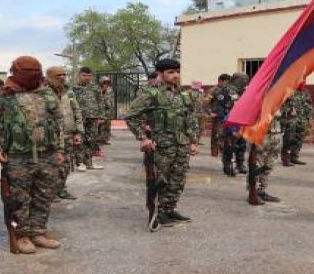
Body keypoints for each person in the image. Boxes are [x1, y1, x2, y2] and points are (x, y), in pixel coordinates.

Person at [0, 56, 65, 253]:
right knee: (19, 199)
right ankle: (21, 235)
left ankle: (38, 232)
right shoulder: (1, 95)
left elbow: (59, 124)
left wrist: (60, 150)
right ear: (15, 72)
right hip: (17, 157)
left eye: (36, 72)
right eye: (27, 72)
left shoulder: (48, 94)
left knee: (44, 196)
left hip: (47, 155)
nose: (33, 76)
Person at [125, 58, 200, 227]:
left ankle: (169, 209)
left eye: (177, 72)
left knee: (178, 180)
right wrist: (143, 138)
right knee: (160, 180)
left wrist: (194, 141)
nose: (176, 75)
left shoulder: (183, 94)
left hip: (181, 145)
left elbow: (191, 119)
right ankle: (157, 213)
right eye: (171, 72)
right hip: (161, 146)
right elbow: (131, 116)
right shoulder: (151, 94)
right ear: (160, 74)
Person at [46, 66, 83, 200]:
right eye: (58, 75)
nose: (62, 77)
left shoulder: (69, 92)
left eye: (63, 75)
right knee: (50, 165)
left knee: (65, 164)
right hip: (50, 135)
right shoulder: (43, 93)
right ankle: (50, 192)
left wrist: (78, 132)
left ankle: (61, 189)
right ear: (48, 77)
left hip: (67, 133)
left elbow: (76, 111)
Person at [213, 72, 248, 176]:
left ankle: (240, 164)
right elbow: (219, 107)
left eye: (246, 80)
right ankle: (227, 166)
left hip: (241, 122)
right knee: (229, 146)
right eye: (244, 80)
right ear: (236, 80)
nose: (246, 82)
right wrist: (224, 122)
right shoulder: (224, 91)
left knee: (242, 144)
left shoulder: (243, 91)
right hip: (229, 123)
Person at [71, 67, 104, 171]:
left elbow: (100, 102)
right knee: (79, 140)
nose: (87, 78)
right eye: (84, 75)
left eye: (89, 76)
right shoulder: (73, 88)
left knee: (91, 140)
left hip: (93, 117)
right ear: (79, 76)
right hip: (79, 118)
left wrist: (101, 116)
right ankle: (79, 163)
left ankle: (89, 162)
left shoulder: (95, 88)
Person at [250, 111, 284, 204]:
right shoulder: (257, 97)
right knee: (257, 165)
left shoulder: (278, 98)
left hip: (276, 135)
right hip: (262, 134)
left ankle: (261, 191)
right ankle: (253, 192)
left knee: (268, 166)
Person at [280, 82, 313, 166]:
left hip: (302, 119)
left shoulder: (305, 92)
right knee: (289, 139)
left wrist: (309, 118)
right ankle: (285, 158)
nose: (302, 83)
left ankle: (294, 157)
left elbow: (309, 105)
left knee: (299, 139)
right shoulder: (288, 90)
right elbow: (282, 104)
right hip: (290, 119)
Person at [206, 74, 230, 157]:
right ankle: (214, 151)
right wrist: (210, 112)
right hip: (217, 115)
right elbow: (206, 102)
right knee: (217, 134)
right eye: (226, 82)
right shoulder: (213, 90)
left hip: (226, 115)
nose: (227, 84)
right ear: (220, 81)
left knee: (225, 134)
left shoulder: (227, 90)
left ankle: (223, 150)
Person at [98, 76, 114, 146]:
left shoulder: (110, 89)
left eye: (107, 82)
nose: (106, 84)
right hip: (102, 110)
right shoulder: (98, 89)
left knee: (107, 125)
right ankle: (99, 139)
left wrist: (112, 108)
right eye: (104, 82)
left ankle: (105, 139)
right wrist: (102, 91)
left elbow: (112, 99)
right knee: (101, 125)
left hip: (109, 110)